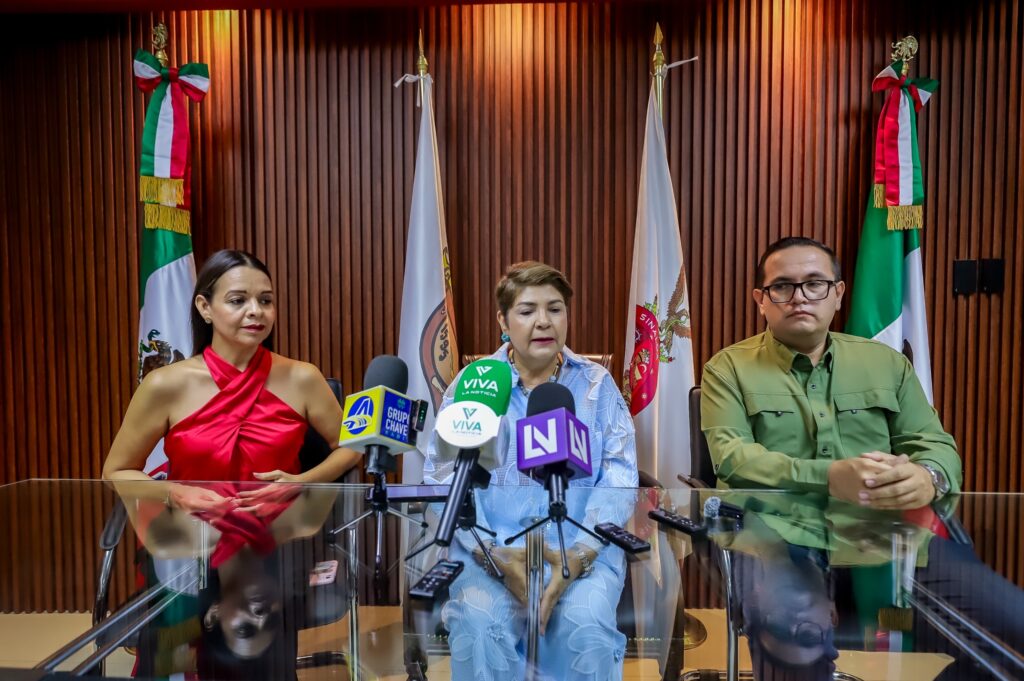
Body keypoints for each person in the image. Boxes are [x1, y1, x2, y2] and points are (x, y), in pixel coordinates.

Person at [699, 237, 1022, 678]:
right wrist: (830, 476)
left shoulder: (886, 363)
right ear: (761, 300)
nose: (799, 297)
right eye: (782, 287)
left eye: (815, 284)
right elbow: (733, 459)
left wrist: (928, 477)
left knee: (1011, 635)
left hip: (890, 533)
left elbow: (934, 444)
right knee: (795, 652)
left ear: (838, 293)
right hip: (778, 535)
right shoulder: (728, 368)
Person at [422, 261, 639, 681]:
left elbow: (620, 476)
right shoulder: (474, 384)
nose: (543, 321)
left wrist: (578, 555)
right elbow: (441, 476)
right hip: (489, 550)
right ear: (503, 322)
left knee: (585, 627)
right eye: (527, 311)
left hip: (581, 550)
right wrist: (493, 554)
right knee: (480, 627)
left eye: (555, 309)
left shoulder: (596, 384)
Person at [103, 249, 359, 510]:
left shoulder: (303, 377)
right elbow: (115, 471)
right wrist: (172, 492)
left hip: (282, 529)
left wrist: (301, 482)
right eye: (238, 300)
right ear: (205, 307)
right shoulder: (164, 384)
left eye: (266, 300)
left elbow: (352, 446)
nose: (256, 311)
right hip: (191, 528)